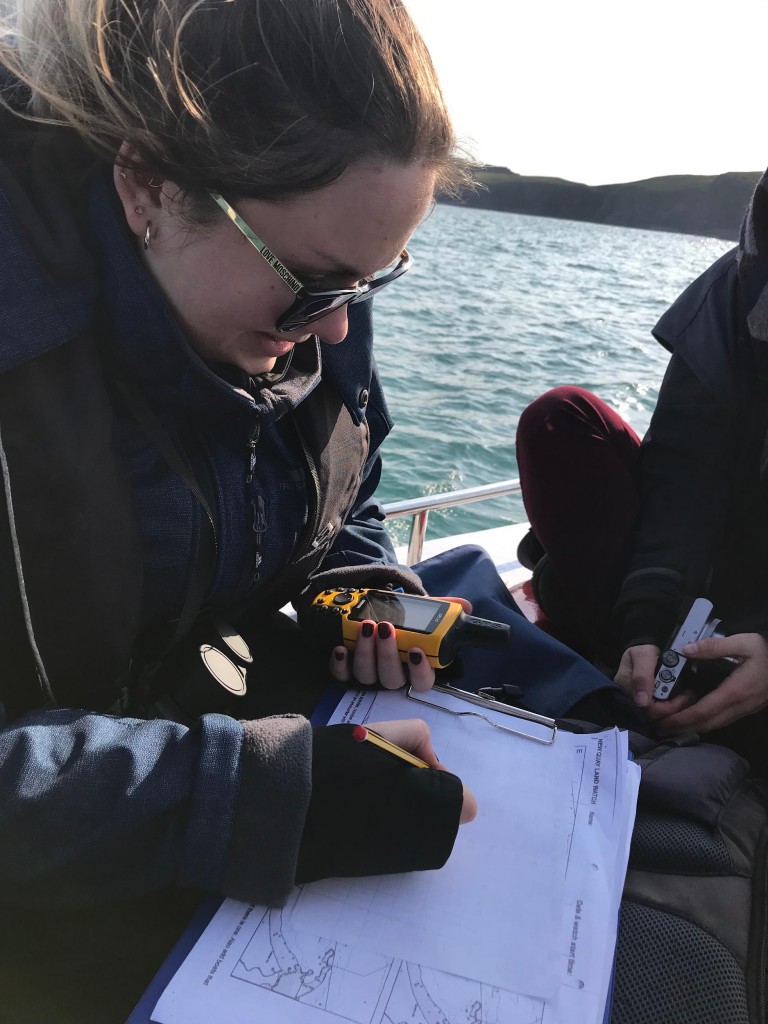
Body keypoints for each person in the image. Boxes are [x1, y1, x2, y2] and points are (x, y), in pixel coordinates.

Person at [0, 1, 485, 1019]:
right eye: (313, 282)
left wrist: (362, 582)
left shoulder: (311, 307)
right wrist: (257, 799)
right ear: (147, 186)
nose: (341, 323)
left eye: (374, 278)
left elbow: (352, 478)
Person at [515, 168, 768, 772]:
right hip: (711, 565)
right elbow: (684, 478)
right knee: (560, 420)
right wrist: (644, 624)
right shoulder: (735, 289)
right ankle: (644, 657)